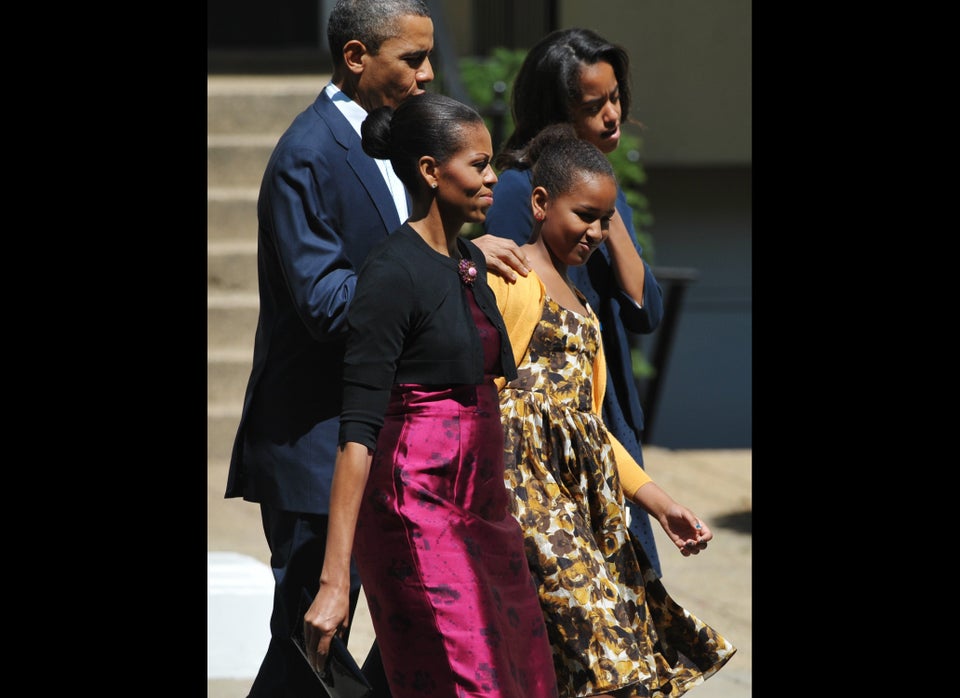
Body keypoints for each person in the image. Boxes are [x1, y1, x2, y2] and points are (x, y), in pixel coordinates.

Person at [223, 2, 527, 694]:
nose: (427, 74)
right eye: (411, 59)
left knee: (407, 633)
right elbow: (325, 302)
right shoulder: (307, 152)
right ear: (357, 57)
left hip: (399, 446)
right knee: (310, 638)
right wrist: (432, 271)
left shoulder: (393, 142)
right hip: (317, 438)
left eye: (428, 57)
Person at [303, 92, 559, 698]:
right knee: (472, 684)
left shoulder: (470, 260)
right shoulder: (389, 273)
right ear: (429, 172)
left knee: (525, 679)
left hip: (485, 508)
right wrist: (336, 580)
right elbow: (358, 431)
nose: (494, 176)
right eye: (478, 164)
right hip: (416, 507)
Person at [487, 124, 735, 698]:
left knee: (615, 654)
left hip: (588, 511)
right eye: (584, 215)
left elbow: (593, 431)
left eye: (605, 218)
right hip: (529, 509)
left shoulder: (586, 309)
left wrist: (663, 504)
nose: (595, 231)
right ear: (541, 204)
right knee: (604, 655)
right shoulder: (510, 279)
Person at [480, 27, 667, 580]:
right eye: (594, 105)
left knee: (628, 585)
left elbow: (644, 311)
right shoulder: (518, 189)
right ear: (554, 112)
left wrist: (607, 215)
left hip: (609, 415)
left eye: (616, 98)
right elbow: (515, 318)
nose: (613, 115)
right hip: (554, 427)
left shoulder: (603, 191)